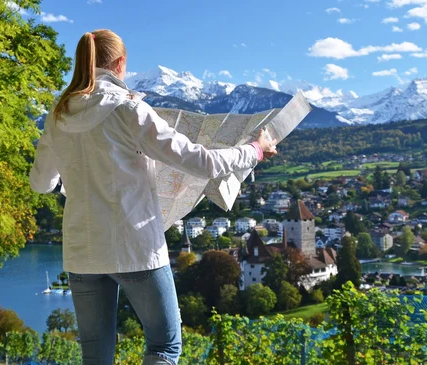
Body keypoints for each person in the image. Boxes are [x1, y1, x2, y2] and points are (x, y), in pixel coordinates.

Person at [29, 29, 277, 365]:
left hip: (82, 251)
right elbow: (204, 163)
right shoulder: (128, 110)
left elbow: (41, 183)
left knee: (95, 354)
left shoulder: (58, 116)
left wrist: (74, 180)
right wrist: (255, 150)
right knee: (163, 345)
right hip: (135, 247)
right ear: (120, 64)